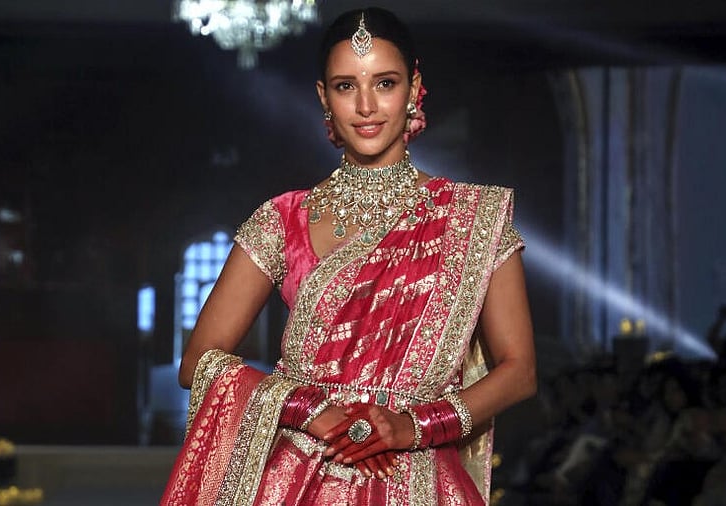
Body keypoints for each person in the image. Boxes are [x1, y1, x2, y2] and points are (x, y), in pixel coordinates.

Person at [161, 7, 537, 505]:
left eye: (384, 83)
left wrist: (415, 425)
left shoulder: (473, 216)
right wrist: (305, 408)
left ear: (413, 88)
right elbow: (198, 362)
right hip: (300, 477)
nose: (366, 105)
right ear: (324, 97)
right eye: (345, 86)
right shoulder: (284, 218)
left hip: (421, 474)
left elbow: (519, 370)